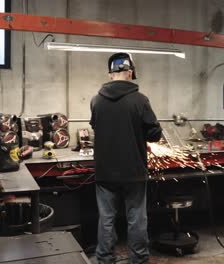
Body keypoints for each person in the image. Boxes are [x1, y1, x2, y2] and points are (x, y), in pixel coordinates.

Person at [90, 53, 162, 264]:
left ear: (110, 74)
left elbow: (96, 126)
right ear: (130, 72)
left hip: (105, 173)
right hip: (134, 172)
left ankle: (104, 259)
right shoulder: (140, 100)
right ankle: (138, 260)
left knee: (106, 219)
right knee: (136, 219)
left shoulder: (96, 100)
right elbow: (155, 134)